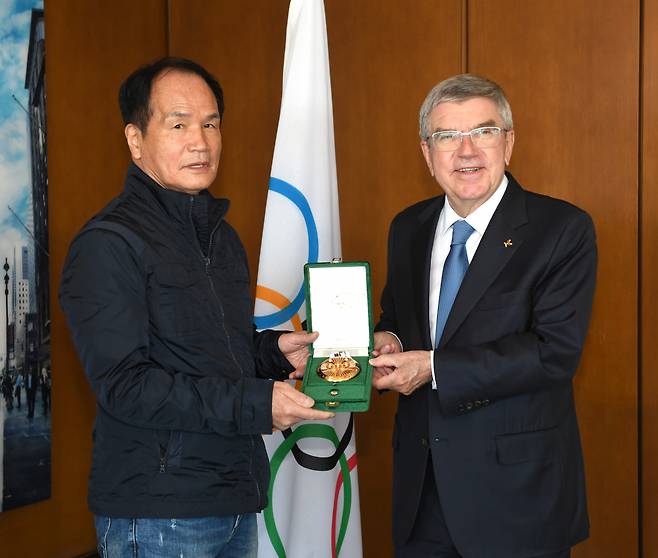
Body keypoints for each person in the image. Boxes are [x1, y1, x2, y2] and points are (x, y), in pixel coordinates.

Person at [59, 57, 333, 558]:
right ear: (135, 139)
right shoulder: (109, 243)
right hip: (160, 513)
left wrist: (274, 353)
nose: (200, 142)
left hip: (232, 495)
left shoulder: (221, 238)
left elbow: (210, 353)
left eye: (211, 124)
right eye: (179, 124)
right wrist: (257, 405)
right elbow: (127, 385)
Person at [369, 74, 596, 558]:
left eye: (484, 132)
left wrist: (431, 368)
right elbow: (399, 313)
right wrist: (387, 337)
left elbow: (553, 353)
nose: (466, 151)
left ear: (508, 143)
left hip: (517, 499)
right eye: (447, 136)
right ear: (427, 154)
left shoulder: (562, 229)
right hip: (422, 494)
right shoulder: (408, 226)